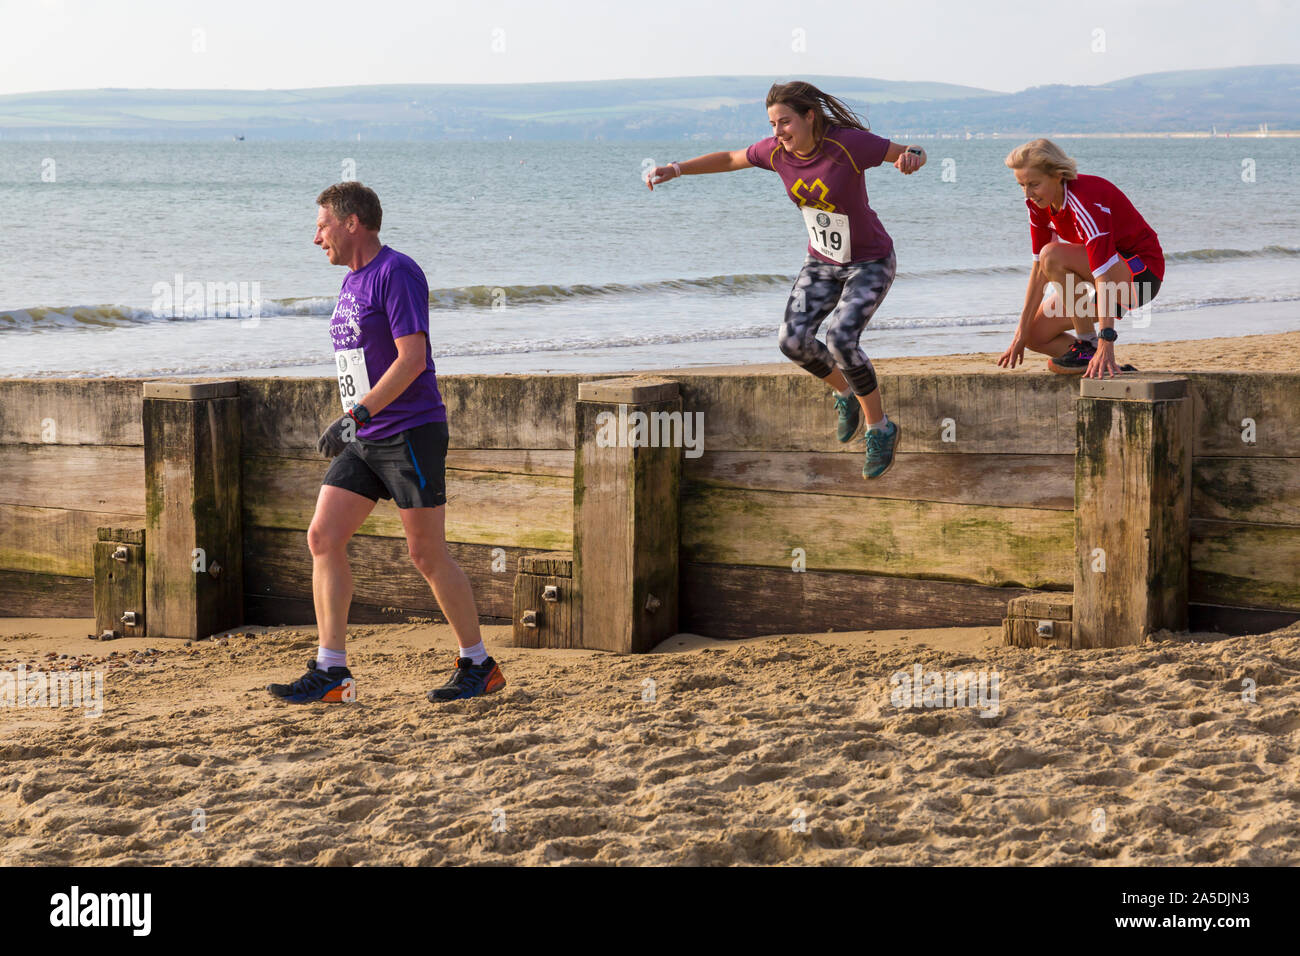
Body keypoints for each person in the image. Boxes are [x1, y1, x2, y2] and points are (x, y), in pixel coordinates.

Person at [267, 182, 505, 704]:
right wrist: (356, 419)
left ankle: (479, 663)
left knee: (426, 553)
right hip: (366, 435)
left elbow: (411, 358)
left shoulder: (396, 272)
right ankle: (333, 670)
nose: (315, 238)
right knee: (322, 538)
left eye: (322, 224)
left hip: (409, 431)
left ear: (353, 223)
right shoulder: (353, 282)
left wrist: (359, 414)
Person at [645, 81, 926, 478]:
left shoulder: (847, 145)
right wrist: (676, 169)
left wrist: (913, 158)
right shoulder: (775, 152)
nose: (778, 132)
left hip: (870, 261)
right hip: (822, 262)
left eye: (786, 122)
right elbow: (729, 158)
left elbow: (910, 151)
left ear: (810, 117)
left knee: (841, 340)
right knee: (792, 341)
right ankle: (844, 393)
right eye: (773, 124)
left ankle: (880, 428)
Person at [999, 138, 1164, 378]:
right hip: (1104, 276)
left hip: (1140, 276)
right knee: (1035, 335)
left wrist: (1107, 339)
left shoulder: (1085, 199)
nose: (1028, 193)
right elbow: (1038, 273)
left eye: (1034, 184)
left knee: (1052, 254)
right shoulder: (1037, 204)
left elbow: (1103, 271)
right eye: (1021, 185)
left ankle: (1089, 344)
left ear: (1057, 175)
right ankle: (1097, 361)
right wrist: (1019, 335)